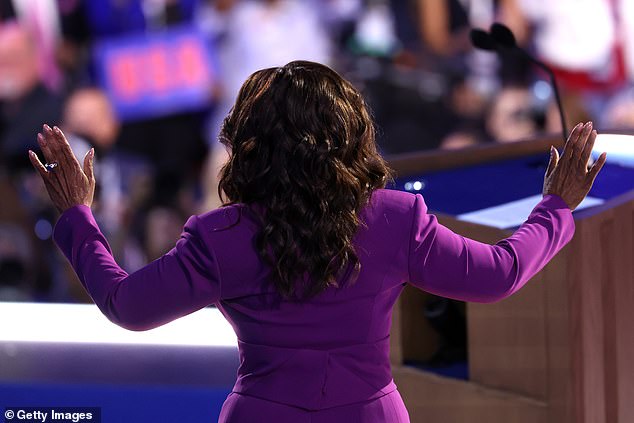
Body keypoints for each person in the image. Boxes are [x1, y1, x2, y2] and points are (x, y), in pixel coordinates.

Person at [29, 61, 606, 423]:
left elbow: (128, 306)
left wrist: (79, 215)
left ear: (249, 144)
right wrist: (556, 207)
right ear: (349, 135)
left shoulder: (219, 237)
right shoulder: (397, 218)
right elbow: (499, 273)